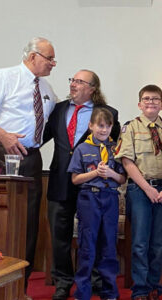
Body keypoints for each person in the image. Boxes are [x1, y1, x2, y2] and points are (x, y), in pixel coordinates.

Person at [0, 37, 57, 299]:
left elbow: (52, 122)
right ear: (32, 57)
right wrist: (4, 136)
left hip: (31, 159)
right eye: (49, 58)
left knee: (26, 226)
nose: (53, 64)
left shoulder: (47, 87)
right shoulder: (5, 77)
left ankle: (20, 289)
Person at [42, 69, 120, 300]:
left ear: (92, 88)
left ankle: (95, 281)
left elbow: (113, 150)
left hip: (95, 186)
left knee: (95, 235)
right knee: (60, 235)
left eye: (79, 81)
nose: (73, 84)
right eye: (72, 80)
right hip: (59, 180)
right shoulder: (58, 110)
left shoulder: (108, 114)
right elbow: (42, 137)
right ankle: (63, 282)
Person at [115, 84, 162, 300]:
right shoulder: (130, 127)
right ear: (139, 104)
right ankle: (141, 289)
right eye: (146, 99)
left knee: (159, 242)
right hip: (140, 190)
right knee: (141, 242)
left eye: (155, 99)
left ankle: (154, 286)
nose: (151, 102)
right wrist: (147, 189)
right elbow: (127, 161)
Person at [67, 107, 126, 300]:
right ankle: (82, 292)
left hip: (109, 198)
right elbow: (75, 179)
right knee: (87, 246)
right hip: (89, 198)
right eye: (100, 126)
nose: (104, 130)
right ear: (91, 126)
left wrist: (111, 174)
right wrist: (95, 173)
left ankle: (109, 292)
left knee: (109, 245)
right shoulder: (82, 148)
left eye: (108, 126)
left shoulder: (115, 148)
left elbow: (122, 179)